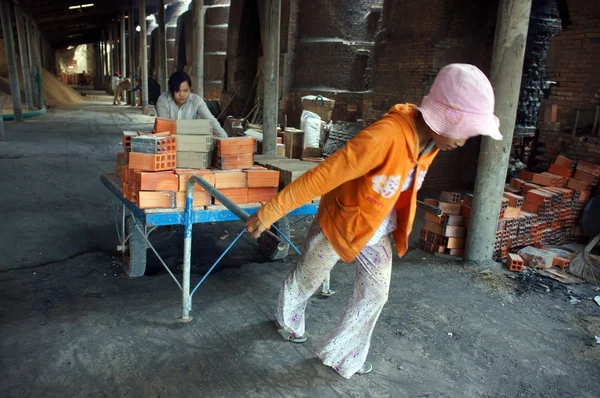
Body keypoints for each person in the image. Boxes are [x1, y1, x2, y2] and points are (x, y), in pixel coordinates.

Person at [244, 64, 503, 379]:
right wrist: (272, 210)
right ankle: (288, 318)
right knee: (308, 277)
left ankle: (343, 354)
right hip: (340, 220)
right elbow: (324, 175)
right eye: (463, 131)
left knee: (376, 293)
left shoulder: (434, 144)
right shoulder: (384, 137)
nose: (462, 142)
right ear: (443, 117)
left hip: (376, 227)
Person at [156, 71, 228, 138]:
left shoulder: (196, 101)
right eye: (177, 91)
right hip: (169, 141)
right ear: (171, 91)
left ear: (190, 89)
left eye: (185, 91)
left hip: (190, 140)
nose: (182, 94)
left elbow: (211, 121)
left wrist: (225, 139)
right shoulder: (163, 100)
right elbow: (163, 126)